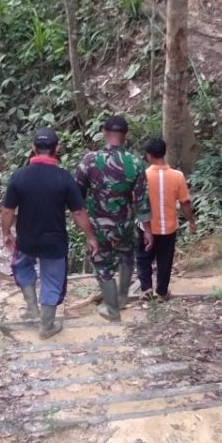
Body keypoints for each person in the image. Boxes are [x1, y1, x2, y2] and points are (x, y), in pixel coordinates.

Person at [1, 128, 98, 339]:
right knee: (52, 280)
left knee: (22, 265)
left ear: (33, 149)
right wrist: (90, 236)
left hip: (26, 239)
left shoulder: (19, 176)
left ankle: (31, 306)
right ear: (57, 149)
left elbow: (8, 210)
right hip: (54, 241)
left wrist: (6, 232)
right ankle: (46, 326)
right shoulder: (64, 178)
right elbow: (79, 212)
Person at [75, 115, 152, 322]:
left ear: (104, 133)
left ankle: (112, 309)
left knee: (102, 264)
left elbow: (77, 197)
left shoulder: (89, 161)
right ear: (125, 136)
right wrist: (148, 230)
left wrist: (84, 223)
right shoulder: (135, 163)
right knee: (127, 257)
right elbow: (143, 200)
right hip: (125, 223)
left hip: (98, 225)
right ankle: (123, 298)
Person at [136, 137, 196, 301]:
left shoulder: (142, 176)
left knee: (143, 257)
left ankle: (146, 289)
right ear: (164, 152)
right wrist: (191, 221)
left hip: (147, 226)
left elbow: (137, 203)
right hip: (169, 227)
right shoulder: (177, 176)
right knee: (165, 260)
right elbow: (185, 202)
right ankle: (162, 292)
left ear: (148, 155)